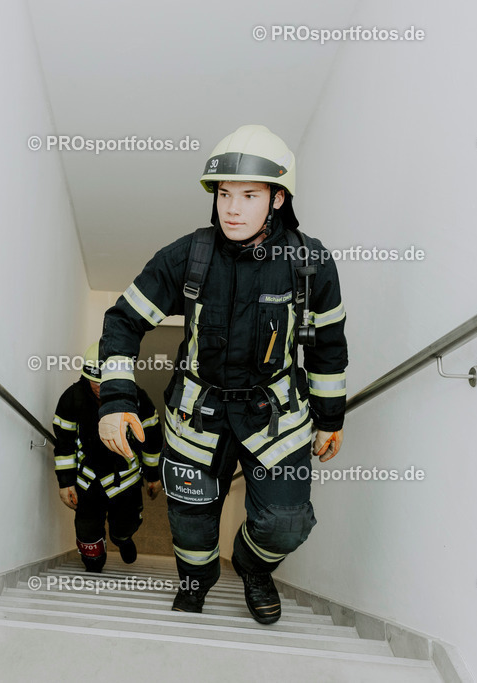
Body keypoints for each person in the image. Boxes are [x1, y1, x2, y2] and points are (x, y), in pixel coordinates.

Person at [96, 125, 347, 622]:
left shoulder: (310, 261)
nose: (231, 209)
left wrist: (330, 416)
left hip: (275, 415)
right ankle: (197, 581)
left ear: (277, 198)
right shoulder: (189, 255)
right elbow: (122, 320)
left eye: (248, 195)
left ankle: (253, 568)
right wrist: (117, 400)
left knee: (286, 523)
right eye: (224, 195)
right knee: (190, 523)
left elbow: (329, 346)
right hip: (196, 416)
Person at [52, 342, 163, 572]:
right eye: (96, 383)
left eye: (107, 383)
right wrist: (66, 482)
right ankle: (93, 561)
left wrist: (153, 476)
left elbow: (151, 439)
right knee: (87, 531)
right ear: (86, 376)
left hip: (126, 478)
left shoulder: (137, 399)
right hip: (88, 480)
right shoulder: (72, 398)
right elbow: (64, 443)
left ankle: (122, 539)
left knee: (125, 525)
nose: (101, 389)